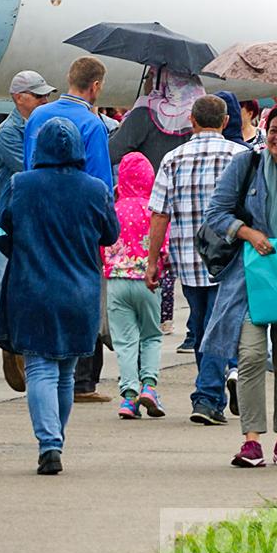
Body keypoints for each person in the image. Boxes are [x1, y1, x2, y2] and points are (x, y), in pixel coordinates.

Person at [0, 117, 119, 475]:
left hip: (32, 289)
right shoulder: (95, 188)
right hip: (80, 291)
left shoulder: (22, 184)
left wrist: (23, 250)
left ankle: (48, 443)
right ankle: (56, 439)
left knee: (39, 368)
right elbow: (109, 234)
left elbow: (0, 230)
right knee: (66, 372)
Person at [200, 105, 277, 466]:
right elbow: (217, 213)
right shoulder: (247, 165)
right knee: (252, 356)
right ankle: (252, 440)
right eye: (273, 130)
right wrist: (249, 232)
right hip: (250, 277)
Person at [145, 95, 248, 423]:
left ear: (191, 121)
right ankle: (208, 394)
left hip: (188, 259)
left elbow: (159, 214)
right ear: (226, 122)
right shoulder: (241, 156)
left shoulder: (172, 158)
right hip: (230, 257)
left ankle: (211, 392)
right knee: (220, 326)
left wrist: (152, 261)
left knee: (202, 324)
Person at [24, 58, 113, 401]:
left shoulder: (39, 116)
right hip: (79, 219)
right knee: (83, 291)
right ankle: (81, 378)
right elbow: (102, 182)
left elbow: (30, 164)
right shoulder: (92, 124)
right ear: (95, 87)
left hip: (39, 213)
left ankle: (44, 358)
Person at [0, 70, 55, 331]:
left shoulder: (45, 124)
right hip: (9, 213)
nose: (44, 100)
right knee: (3, 278)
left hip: (34, 211)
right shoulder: (7, 133)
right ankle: (5, 331)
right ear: (18, 98)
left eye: (46, 95)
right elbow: (29, 169)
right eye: (38, 96)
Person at [104, 152, 165, 420]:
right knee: (151, 335)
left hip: (117, 280)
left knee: (125, 340)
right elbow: (164, 245)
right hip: (148, 280)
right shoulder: (154, 209)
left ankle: (129, 397)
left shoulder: (113, 210)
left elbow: (101, 242)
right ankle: (149, 386)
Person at [109, 66, 203, 172]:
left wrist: (121, 126)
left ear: (158, 80)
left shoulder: (146, 113)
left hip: (148, 185)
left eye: (148, 77)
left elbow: (112, 153)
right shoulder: (198, 115)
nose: (145, 83)